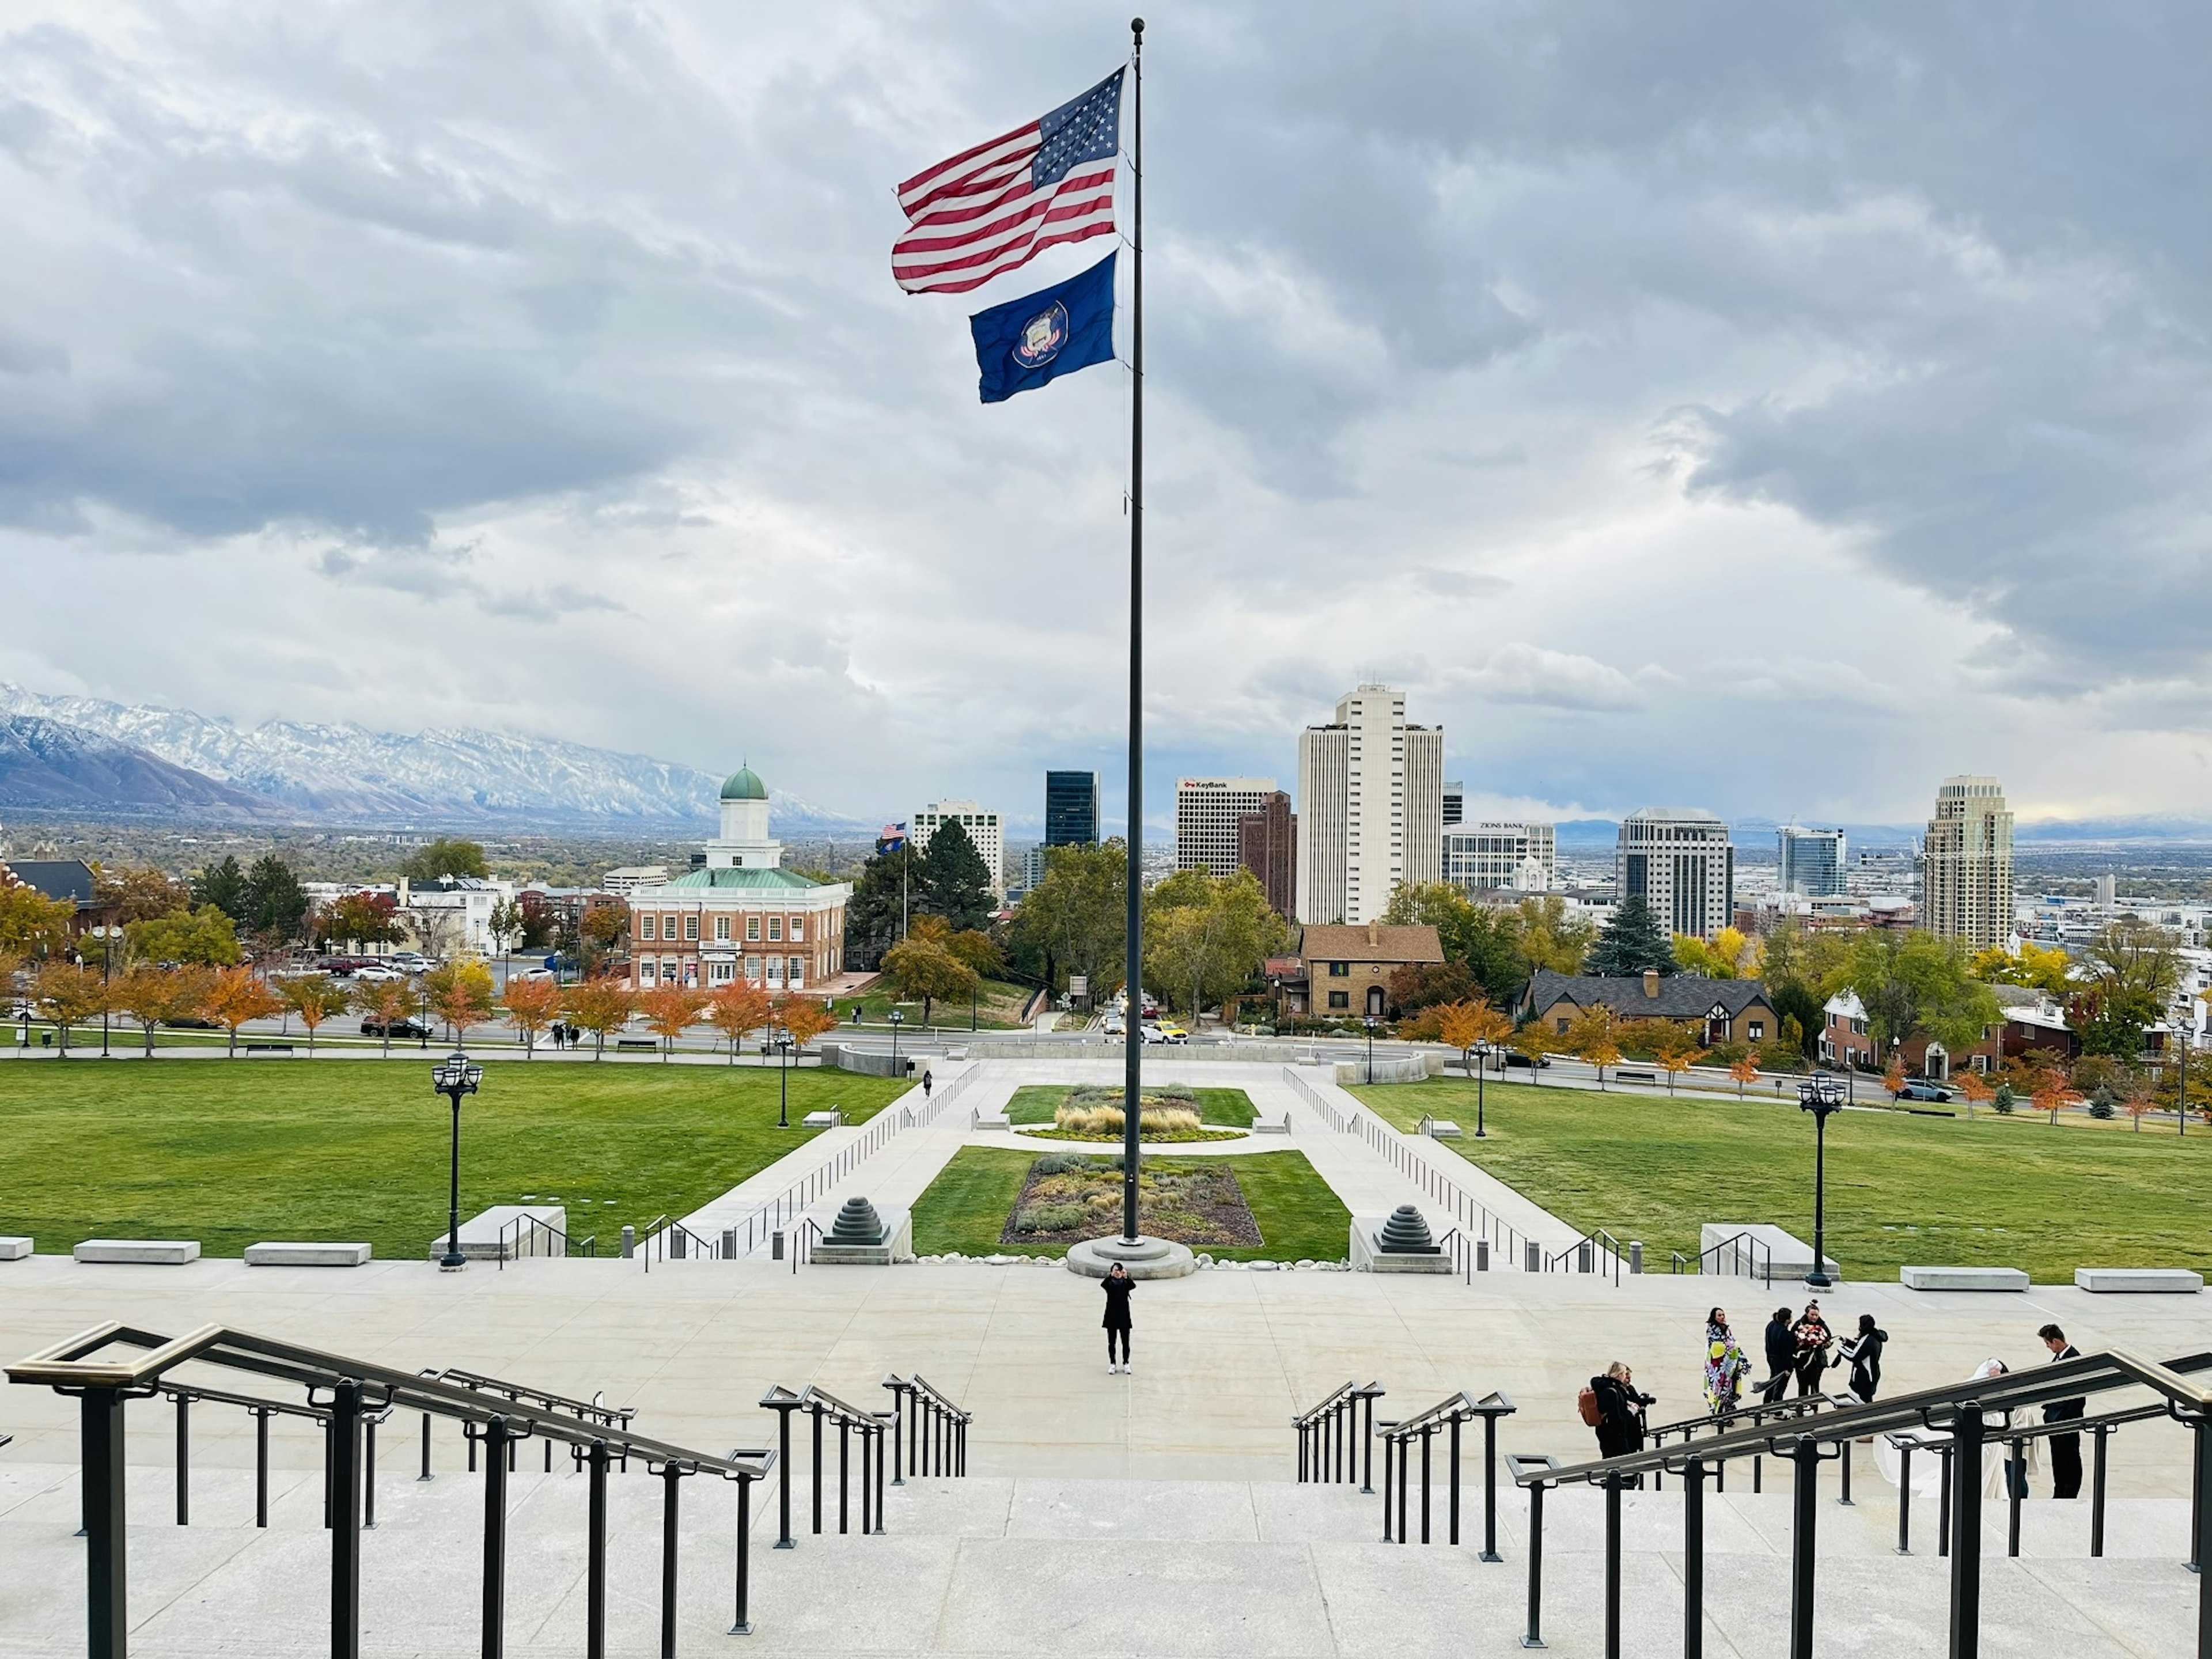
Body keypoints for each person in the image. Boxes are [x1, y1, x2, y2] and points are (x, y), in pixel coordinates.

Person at [1589, 1361, 1654, 1485]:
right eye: (1625, 1374)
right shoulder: (1611, 1392)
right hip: (1616, 1440)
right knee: (1622, 1474)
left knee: (1621, 1472)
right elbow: (1617, 1420)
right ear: (1618, 1375)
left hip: (1618, 1438)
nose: (1628, 1378)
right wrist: (1631, 1412)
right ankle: (1617, 1498)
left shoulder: (1619, 1389)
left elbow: (1632, 1401)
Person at [2040, 1323, 2085, 1499]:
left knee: (2070, 1458)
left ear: (2057, 1341)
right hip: (2053, 1418)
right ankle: (2059, 1491)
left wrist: (2066, 1417)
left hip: (2065, 1419)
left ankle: (2069, 1492)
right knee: (2058, 1458)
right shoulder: (2059, 1357)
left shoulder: (2074, 1359)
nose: (2048, 1347)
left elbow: (2079, 1396)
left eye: (2048, 1343)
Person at [1703, 1308, 1749, 1418]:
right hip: (1718, 1367)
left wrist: (1743, 1360)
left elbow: (1734, 1344)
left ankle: (1728, 1407)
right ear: (1714, 1317)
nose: (1722, 1317)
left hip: (1731, 1365)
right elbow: (1716, 1347)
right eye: (1719, 1315)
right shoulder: (1712, 1330)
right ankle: (1718, 1411)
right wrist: (1732, 1346)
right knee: (1719, 1388)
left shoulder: (1727, 1329)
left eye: (1723, 1315)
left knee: (1731, 1387)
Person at [1840, 1313, 1888, 1406]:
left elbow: (1854, 1356)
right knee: (1867, 1399)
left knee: (1865, 1401)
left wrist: (1841, 1350)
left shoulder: (1868, 1340)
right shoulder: (1875, 1336)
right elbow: (1860, 1348)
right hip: (1872, 1372)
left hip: (1866, 1375)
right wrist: (1847, 1342)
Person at [1791, 1301, 1836, 1397]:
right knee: (1803, 1385)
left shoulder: (1822, 1325)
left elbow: (1829, 1339)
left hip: (1817, 1361)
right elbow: (1792, 1339)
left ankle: (1815, 1408)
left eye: (1816, 1315)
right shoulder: (1799, 1325)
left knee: (1815, 1384)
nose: (1814, 1317)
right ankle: (1801, 1407)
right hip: (1802, 1361)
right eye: (1812, 1315)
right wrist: (1801, 1343)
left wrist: (1822, 1344)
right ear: (1807, 1314)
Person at [1101, 1262, 1134, 1373]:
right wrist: (1111, 1275)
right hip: (1112, 1316)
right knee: (1112, 1342)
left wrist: (1126, 1276)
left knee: (1126, 1342)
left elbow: (1133, 1286)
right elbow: (1103, 1284)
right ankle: (1113, 1364)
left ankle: (1126, 1363)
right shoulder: (1109, 1283)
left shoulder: (1125, 1283)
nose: (1118, 1273)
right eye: (1116, 1271)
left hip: (1124, 1316)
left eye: (1120, 1271)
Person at [1759, 1306, 1796, 1405]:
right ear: (1788, 1320)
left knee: (1772, 1380)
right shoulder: (1784, 1333)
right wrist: (1788, 1368)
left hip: (1771, 1358)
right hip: (1781, 1362)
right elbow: (1787, 1352)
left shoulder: (1771, 1325)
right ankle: (1777, 1410)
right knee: (1780, 1385)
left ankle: (1766, 1403)